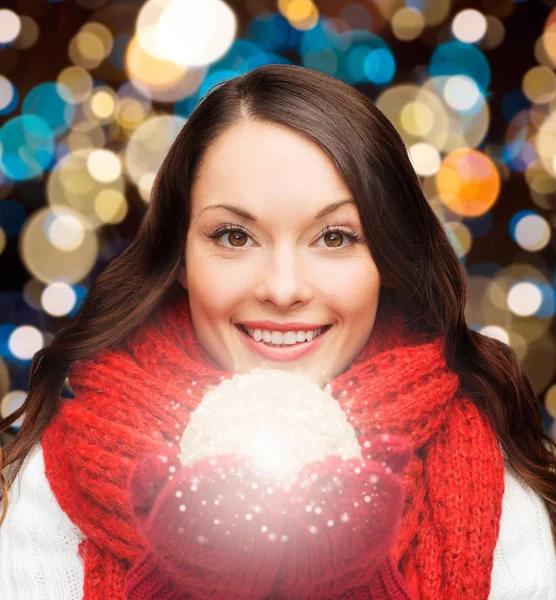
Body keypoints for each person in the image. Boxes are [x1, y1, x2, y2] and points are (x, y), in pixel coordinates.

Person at [0, 63, 555, 599]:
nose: (283, 289)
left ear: (387, 259)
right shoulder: (54, 484)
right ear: (180, 257)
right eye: (235, 236)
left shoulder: (497, 482)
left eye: (335, 237)